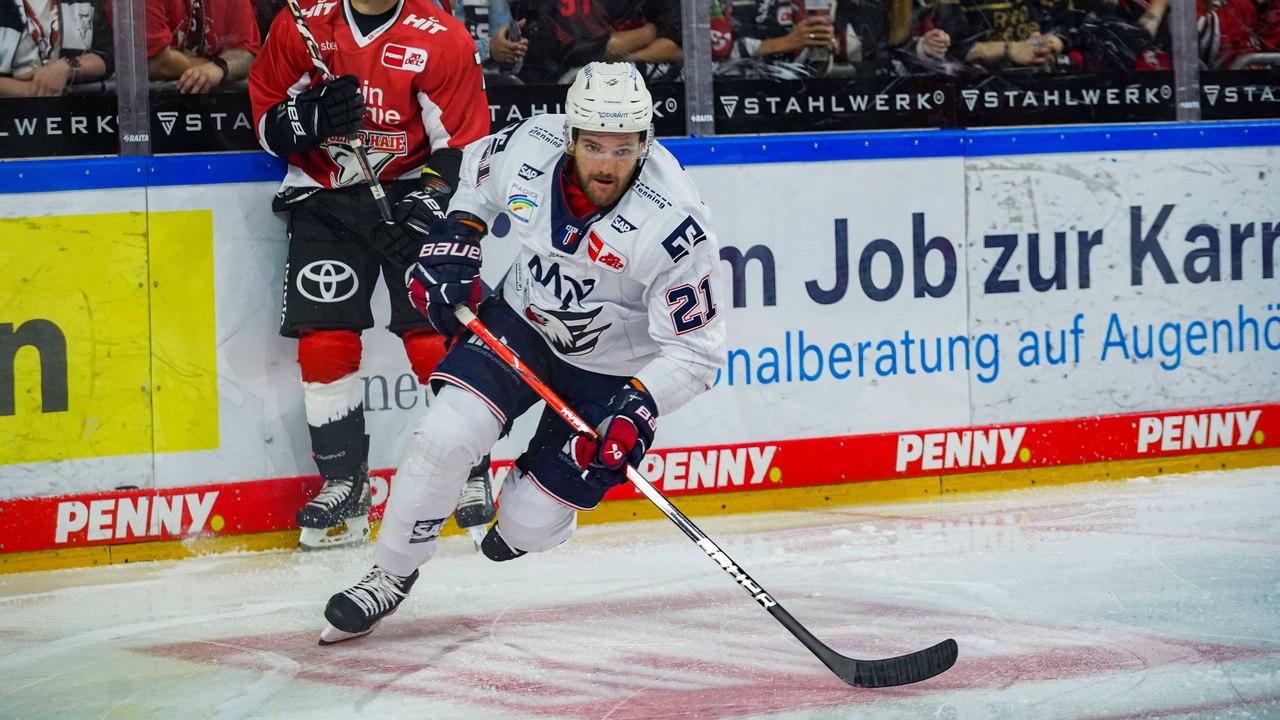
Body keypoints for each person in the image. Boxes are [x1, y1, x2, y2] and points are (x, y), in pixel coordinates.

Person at [317, 61, 726, 645]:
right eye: (592, 146)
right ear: (569, 136)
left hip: (610, 369)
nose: (607, 165)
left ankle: (525, 516)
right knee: (446, 435)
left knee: (528, 525)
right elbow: (476, 179)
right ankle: (390, 573)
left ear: (646, 141)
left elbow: (698, 353)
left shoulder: (674, 224)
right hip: (523, 321)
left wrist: (637, 408)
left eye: (623, 149)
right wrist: (459, 232)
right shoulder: (529, 145)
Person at [248, 0, 495, 550]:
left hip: (410, 191)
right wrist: (310, 118)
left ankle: (472, 467)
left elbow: (466, 145)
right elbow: (265, 119)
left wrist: (428, 209)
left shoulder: (442, 36)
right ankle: (344, 482)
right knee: (324, 338)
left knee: (433, 332)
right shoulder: (303, 23)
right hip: (325, 196)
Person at [0, 0, 113, 97]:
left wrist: (66, 67)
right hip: (10, 111)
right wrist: (29, 90)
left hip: (72, 109)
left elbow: (109, 57)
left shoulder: (81, 1)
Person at [146, 0, 261, 93]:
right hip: (146, 106)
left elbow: (246, 53)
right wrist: (211, 69)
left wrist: (219, 67)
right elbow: (155, 63)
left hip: (212, 104)